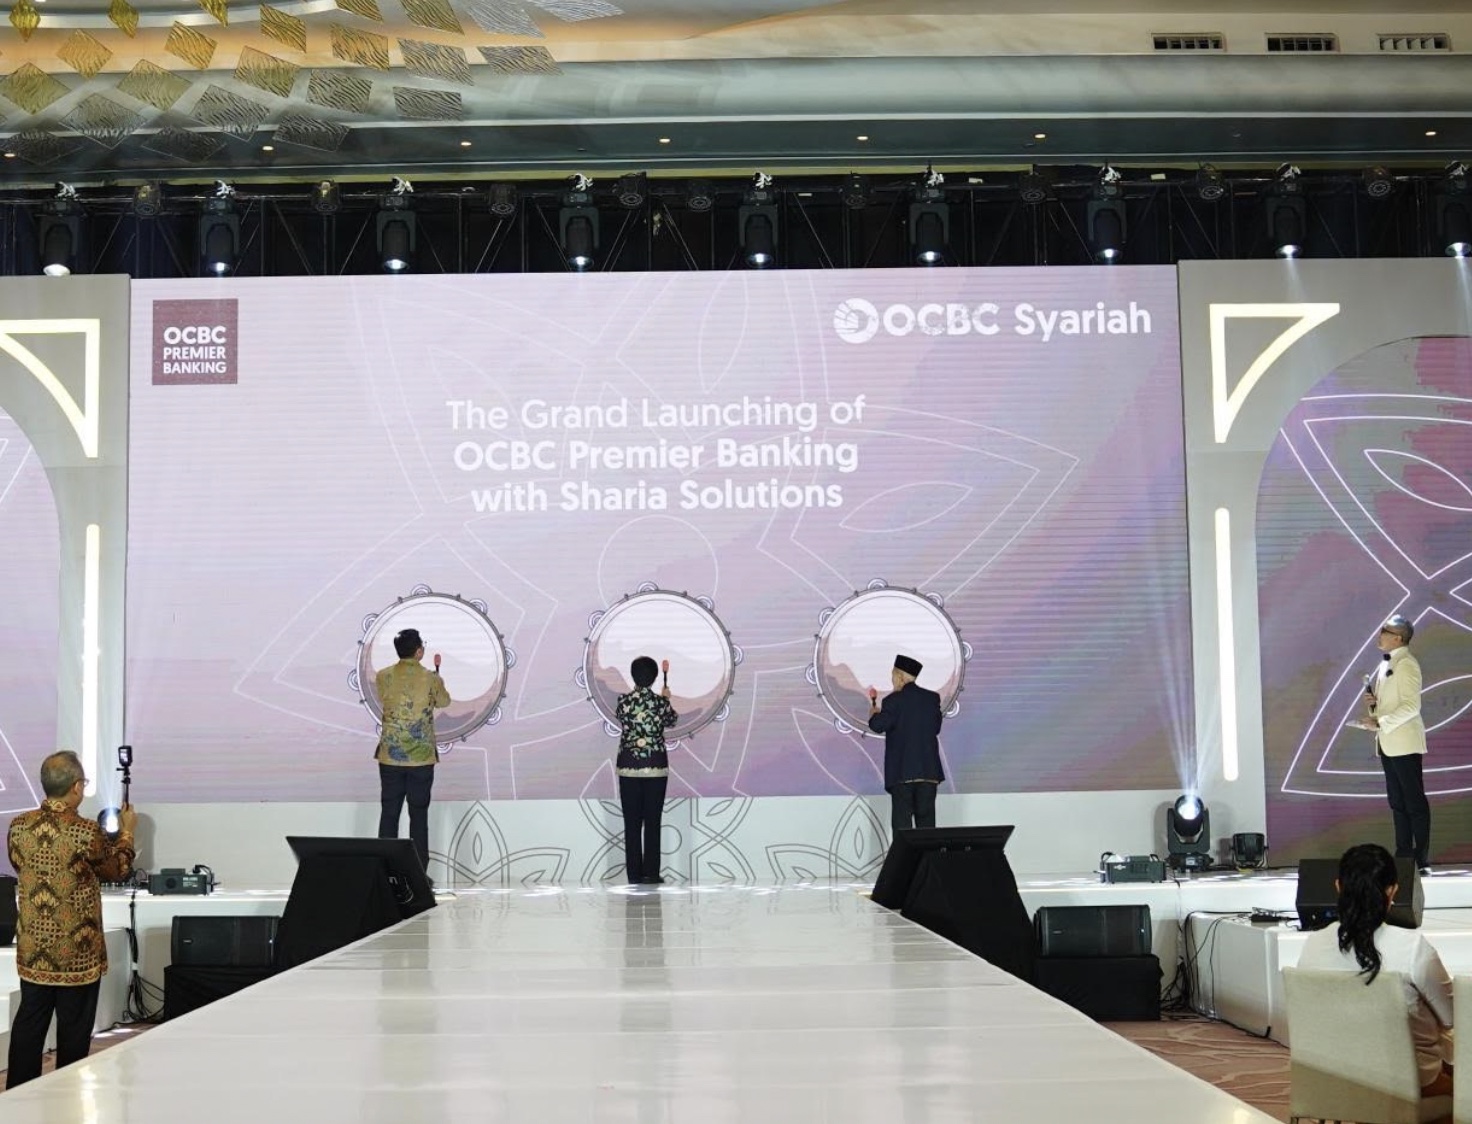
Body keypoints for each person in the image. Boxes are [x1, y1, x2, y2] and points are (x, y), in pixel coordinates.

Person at [6, 751, 137, 1088]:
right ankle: (64, 1097)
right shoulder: (84, 831)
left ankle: (18, 1097)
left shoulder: (18, 826)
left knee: (29, 1024)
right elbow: (117, 870)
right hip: (76, 953)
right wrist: (127, 833)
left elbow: (21, 866)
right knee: (74, 1031)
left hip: (34, 949)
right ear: (77, 787)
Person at [1298, 843, 1453, 1098]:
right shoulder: (1412, 948)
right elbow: (1452, 1017)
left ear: (1338, 887)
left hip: (1332, 1079)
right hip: (1405, 1084)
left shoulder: (1313, 944)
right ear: (1392, 891)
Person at [375, 628, 451, 876]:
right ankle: (418, 874)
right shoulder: (431, 678)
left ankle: (386, 873)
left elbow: (386, 698)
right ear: (419, 651)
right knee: (418, 817)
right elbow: (444, 702)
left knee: (389, 814)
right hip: (420, 758)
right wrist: (438, 679)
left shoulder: (383, 676)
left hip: (390, 756)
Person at [1363, 615, 1430, 871]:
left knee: (1414, 802)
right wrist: (1374, 708)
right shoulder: (1386, 663)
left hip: (1404, 743)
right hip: (1388, 742)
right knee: (1397, 802)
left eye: (1384, 631)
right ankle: (1403, 855)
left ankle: (1420, 859)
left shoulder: (1407, 664)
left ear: (1398, 638)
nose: (1379, 634)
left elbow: (1412, 706)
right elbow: (1390, 706)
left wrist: (1382, 722)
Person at [614, 656, 678, 885]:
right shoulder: (660, 703)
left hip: (628, 767)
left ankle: (634, 874)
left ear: (633, 676)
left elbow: (621, 717)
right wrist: (666, 699)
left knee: (631, 823)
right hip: (655, 767)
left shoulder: (623, 701)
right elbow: (672, 720)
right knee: (653, 821)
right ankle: (651, 873)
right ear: (654, 677)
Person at [867, 653, 944, 836]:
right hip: (928, 775)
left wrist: (874, 713)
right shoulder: (932, 699)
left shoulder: (893, 701)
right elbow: (935, 728)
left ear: (900, 677)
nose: (892, 680)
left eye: (893, 676)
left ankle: (904, 858)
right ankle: (927, 856)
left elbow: (877, 725)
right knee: (927, 832)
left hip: (903, 775)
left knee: (903, 831)